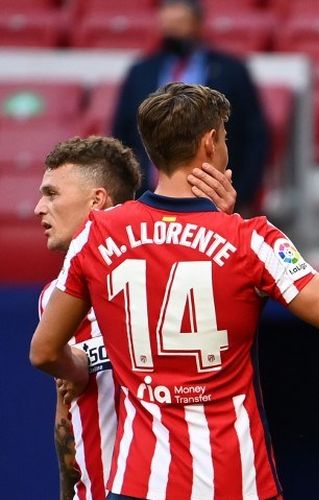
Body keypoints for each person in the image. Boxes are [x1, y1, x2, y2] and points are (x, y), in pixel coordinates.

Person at [29, 83, 319, 499]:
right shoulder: (251, 240)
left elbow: (45, 352)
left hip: (139, 481)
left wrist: (82, 368)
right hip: (235, 481)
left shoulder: (96, 236)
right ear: (210, 142)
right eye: (223, 137)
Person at [34, 135, 237, 500]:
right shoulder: (54, 299)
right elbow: (66, 409)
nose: (38, 208)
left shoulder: (174, 273)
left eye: (51, 194)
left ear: (97, 200)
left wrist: (224, 226)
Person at [112, 0, 269, 211]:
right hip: (148, 197)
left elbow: (255, 135)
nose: (172, 31)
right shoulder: (141, 71)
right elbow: (122, 131)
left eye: (179, 23)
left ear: (197, 24)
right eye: (168, 25)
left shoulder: (232, 70)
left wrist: (242, 192)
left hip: (215, 196)